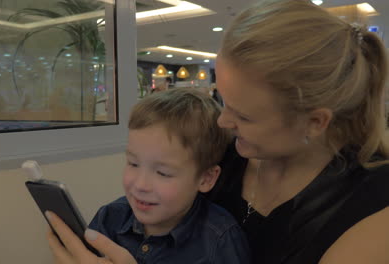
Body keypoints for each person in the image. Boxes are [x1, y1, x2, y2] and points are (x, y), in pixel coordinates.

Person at [45, 0, 389, 263]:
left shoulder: (373, 208)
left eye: (244, 115)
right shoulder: (223, 149)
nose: (223, 122)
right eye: (223, 101)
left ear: (315, 122)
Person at [48, 88, 250, 263]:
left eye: (163, 173)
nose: (141, 185)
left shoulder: (220, 240)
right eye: (133, 163)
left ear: (206, 178)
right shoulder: (109, 218)